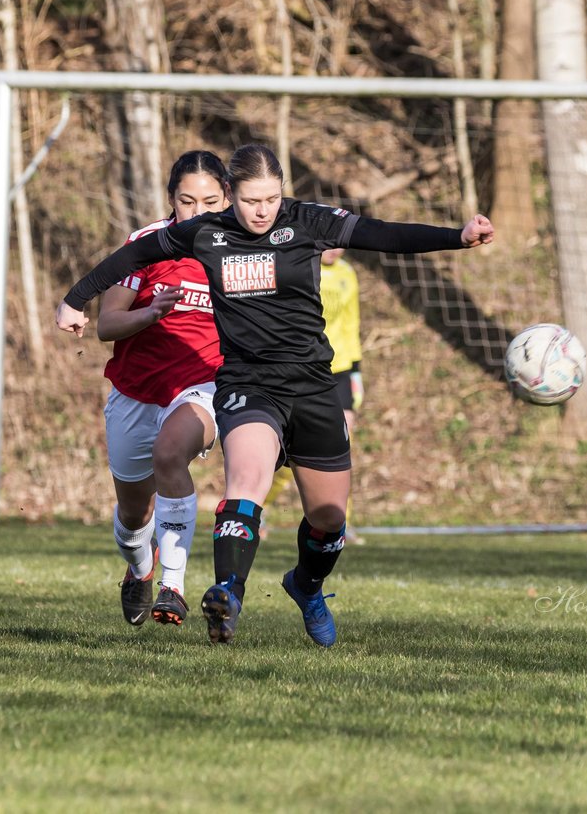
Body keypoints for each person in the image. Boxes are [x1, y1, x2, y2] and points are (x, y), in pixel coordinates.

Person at [56, 144, 494, 647]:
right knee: (246, 482)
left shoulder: (307, 221)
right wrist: (74, 299)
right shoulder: (206, 232)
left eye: (270, 198)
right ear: (231, 198)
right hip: (247, 385)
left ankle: (306, 586)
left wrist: (456, 238)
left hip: (311, 383)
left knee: (328, 520)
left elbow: (381, 233)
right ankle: (227, 594)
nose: (262, 210)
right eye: (250, 200)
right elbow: (132, 254)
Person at [58, 150, 229, 629]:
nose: (197, 213)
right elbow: (107, 326)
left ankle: (173, 586)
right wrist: (150, 314)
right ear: (171, 200)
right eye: (187, 201)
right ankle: (141, 568)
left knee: (171, 454)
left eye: (211, 201)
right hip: (136, 393)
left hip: (202, 386)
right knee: (134, 517)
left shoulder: (240, 251)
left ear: (228, 198)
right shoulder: (148, 244)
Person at [261, 247, 364, 546]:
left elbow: (351, 323)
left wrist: (356, 371)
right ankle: (261, 504)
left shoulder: (347, 273)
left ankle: (341, 519)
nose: (337, 249)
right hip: (304, 366)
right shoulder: (295, 267)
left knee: (344, 442)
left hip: (340, 368)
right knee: (289, 450)